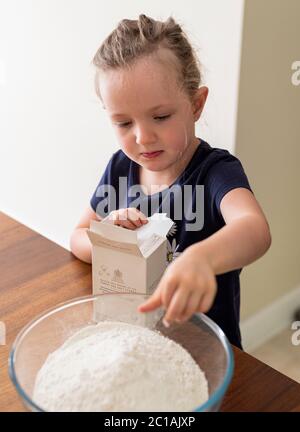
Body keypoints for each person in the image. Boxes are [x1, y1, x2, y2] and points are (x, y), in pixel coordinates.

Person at [70, 14, 271, 349]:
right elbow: (77, 237)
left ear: (196, 104)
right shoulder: (120, 168)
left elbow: (255, 230)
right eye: (122, 123)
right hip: (136, 341)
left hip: (203, 348)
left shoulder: (215, 171)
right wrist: (110, 238)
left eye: (160, 117)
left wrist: (201, 258)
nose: (143, 137)